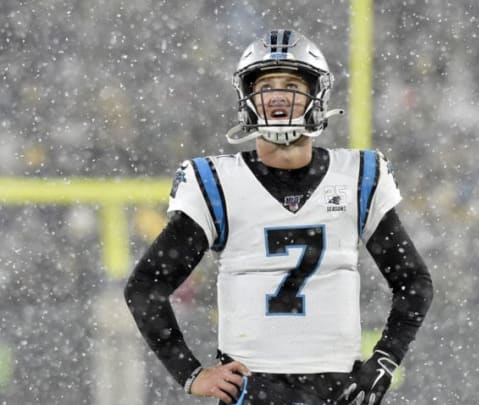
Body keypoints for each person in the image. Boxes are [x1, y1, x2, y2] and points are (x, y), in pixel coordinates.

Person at [124, 29, 433, 405]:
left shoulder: (358, 176)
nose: (278, 96)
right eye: (266, 85)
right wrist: (190, 374)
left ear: (315, 94)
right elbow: (145, 286)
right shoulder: (217, 183)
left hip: (338, 388)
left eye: (292, 84)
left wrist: (385, 359)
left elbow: (414, 281)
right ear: (248, 97)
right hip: (253, 388)